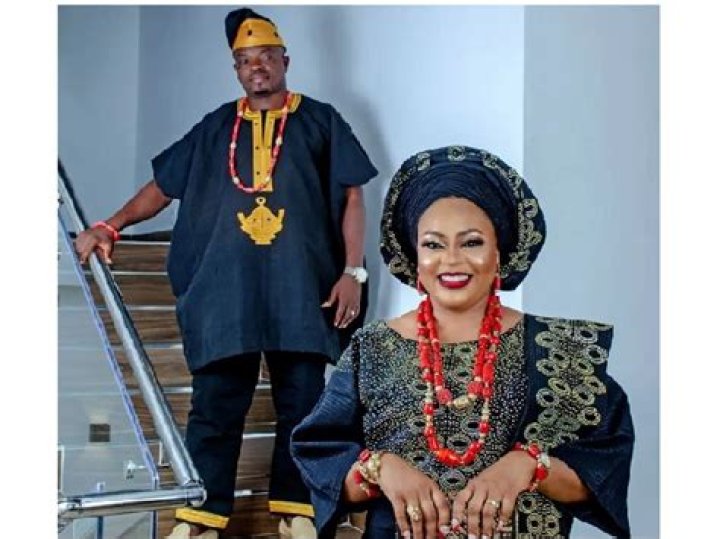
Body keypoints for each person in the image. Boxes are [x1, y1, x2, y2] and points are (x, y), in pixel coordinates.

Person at [74, 7, 377, 539]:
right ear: (236, 70)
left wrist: (353, 270)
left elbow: (352, 194)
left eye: (266, 57)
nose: (257, 67)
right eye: (245, 60)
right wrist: (109, 225)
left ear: (285, 61)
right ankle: (201, 518)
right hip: (225, 293)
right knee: (215, 406)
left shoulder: (320, 120)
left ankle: (296, 510)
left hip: (300, 290)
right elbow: (162, 187)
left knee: (303, 405)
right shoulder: (216, 126)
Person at [291, 146, 634, 539]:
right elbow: (323, 466)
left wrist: (530, 466)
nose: (451, 259)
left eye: (471, 242)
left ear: (499, 252)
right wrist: (380, 468)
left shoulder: (561, 349)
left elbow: (600, 474)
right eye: (433, 244)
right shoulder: (372, 348)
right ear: (414, 255)